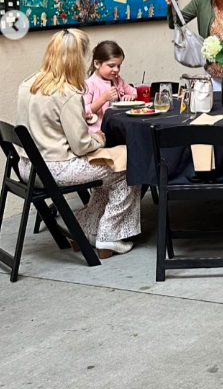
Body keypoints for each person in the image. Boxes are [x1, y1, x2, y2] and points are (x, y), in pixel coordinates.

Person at [17, 29, 140, 257]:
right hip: (55, 168)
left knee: (108, 170)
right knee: (129, 165)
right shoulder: (67, 93)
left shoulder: (28, 84)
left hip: (27, 167)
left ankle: (85, 229)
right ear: (75, 58)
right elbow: (81, 146)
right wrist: (99, 138)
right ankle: (109, 236)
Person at [83, 41, 138, 133]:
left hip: (118, 128)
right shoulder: (89, 84)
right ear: (97, 64)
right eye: (111, 66)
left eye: (118, 66)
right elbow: (84, 111)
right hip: (99, 131)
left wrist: (131, 96)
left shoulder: (118, 80)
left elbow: (134, 92)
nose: (116, 70)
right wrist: (103, 99)